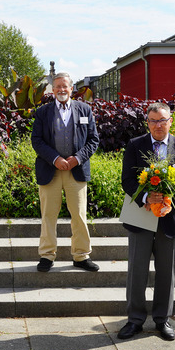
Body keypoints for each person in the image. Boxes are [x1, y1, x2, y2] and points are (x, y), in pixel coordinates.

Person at [119, 102, 175, 341]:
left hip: (171, 218)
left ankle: (163, 320)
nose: (158, 125)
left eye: (163, 120)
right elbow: (127, 180)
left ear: (170, 121)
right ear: (148, 123)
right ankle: (134, 321)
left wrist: (166, 195)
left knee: (166, 273)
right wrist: (145, 197)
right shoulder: (135, 145)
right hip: (141, 216)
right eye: (153, 121)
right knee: (137, 271)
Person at [31, 72, 100, 272]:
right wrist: (56, 159)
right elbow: (37, 140)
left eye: (65, 86)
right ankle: (47, 255)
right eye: (57, 86)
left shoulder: (85, 110)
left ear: (71, 89)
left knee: (79, 214)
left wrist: (77, 158)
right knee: (48, 215)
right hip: (49, 170)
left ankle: (81, 256)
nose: (61, 90)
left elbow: (93, 140)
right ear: (52, 90)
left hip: (76, 171)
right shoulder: (43, 112)